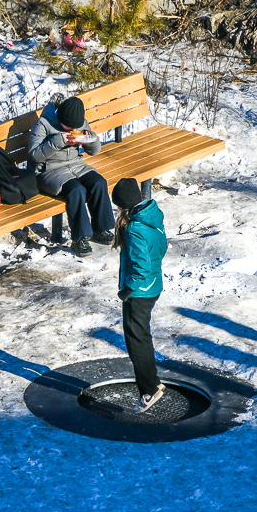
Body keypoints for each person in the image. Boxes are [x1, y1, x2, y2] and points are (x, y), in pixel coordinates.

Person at [27, 96, 115, 257]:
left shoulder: (80, 123)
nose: (73, 129)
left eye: (75, 127)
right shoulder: (43, 124)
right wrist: (59, 140)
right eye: (69, 127)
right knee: (76, 190)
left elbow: (95, 151)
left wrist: (89, 139)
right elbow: (34, 155)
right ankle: (79, 238)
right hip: (49, 171)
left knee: (99, 182)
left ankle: (100, 230)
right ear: (60, 118)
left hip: (76, 165)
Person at [111, 177, 168, 413]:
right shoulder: (152, 216)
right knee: (142, 335)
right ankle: (152, 382)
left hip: (139, 292)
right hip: (152, 285)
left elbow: (140, 266)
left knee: (136, 341)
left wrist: (128, 288)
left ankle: (149, 389)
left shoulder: (134, 229)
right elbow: (161, 248)